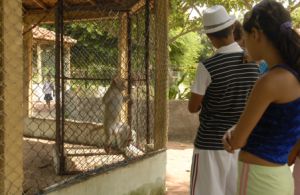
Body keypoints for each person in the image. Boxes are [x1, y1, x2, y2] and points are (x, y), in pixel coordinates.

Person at [222, 1, 300, 195]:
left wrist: (231, 134)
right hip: (280, 176)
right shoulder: (293, 76)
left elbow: (238, 141)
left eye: (245, 39)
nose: (244, 46)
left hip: (258, 178)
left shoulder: (270, 81)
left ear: (255, 34)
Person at [188, 5, 259, 195]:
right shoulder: (253, 63)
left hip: (209, 145)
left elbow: (193, 107)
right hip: (240, 143)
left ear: (210, 38)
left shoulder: (207, 66)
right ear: (232, 29)